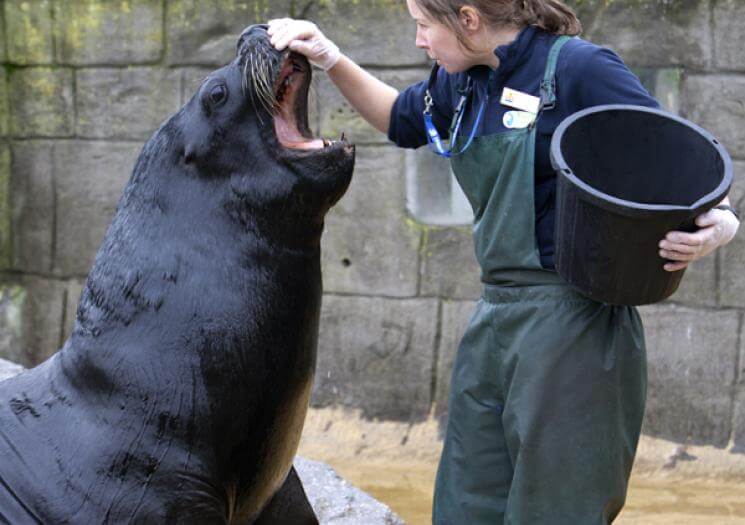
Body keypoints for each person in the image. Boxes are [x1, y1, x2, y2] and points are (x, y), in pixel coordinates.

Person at [267, 1, 740, 523]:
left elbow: (671, 156)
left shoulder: (579, 69)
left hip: (574, 327)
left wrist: (719, 220)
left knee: (557, 508)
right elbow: (402, 120)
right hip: (494, 321)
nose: (419, 42)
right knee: (468, 501)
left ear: (468, 19)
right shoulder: (463, 81)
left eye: (424, 27)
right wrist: (330, 58)